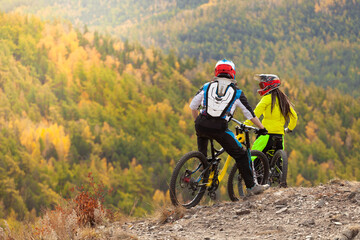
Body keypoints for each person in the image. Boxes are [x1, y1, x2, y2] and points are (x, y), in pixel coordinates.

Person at [189, 59, 270, 196]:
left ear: (216, 72)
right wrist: (262, 128)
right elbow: (250, 114)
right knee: (242, 155)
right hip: (219, 129)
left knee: (203, 154)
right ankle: (251, 187)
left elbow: (193, 107)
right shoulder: (237, 92)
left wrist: (198, 122)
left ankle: (204, 174)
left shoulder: (206, 86)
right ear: (233, 73)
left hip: (201, 124)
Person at [244, 74, 298, 187]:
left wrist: (245, 125)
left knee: (254, 158)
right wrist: (289, 129)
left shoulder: (266, 99)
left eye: (263, 84)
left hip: (266, 135)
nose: (261, 87)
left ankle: (255, 183)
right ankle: (280, 180)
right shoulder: (284, 100)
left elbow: (254, 115)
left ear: (268, 85)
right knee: (277, 160)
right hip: (279, 136)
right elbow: (294, 117)